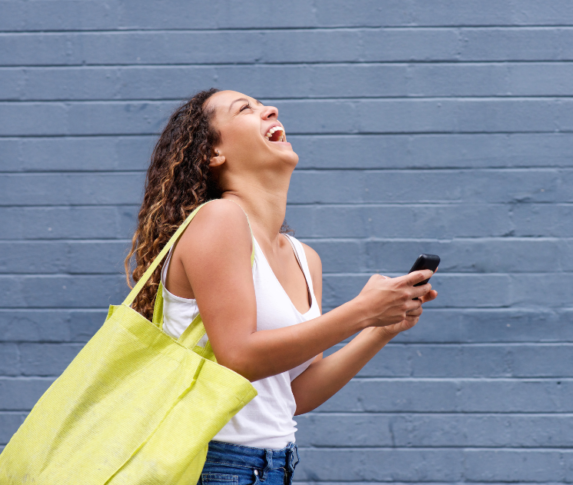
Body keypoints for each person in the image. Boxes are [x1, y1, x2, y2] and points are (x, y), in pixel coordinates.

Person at [125, 88, 438, 485]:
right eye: (246, 109)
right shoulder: (218, 219)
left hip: (276, 463)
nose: (270, 108)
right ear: (212, 154)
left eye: (264, 105)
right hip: (215, 463)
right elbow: (238, 357)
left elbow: (296, 395)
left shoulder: (304, 258)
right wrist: (361, 310)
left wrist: (378, 329)